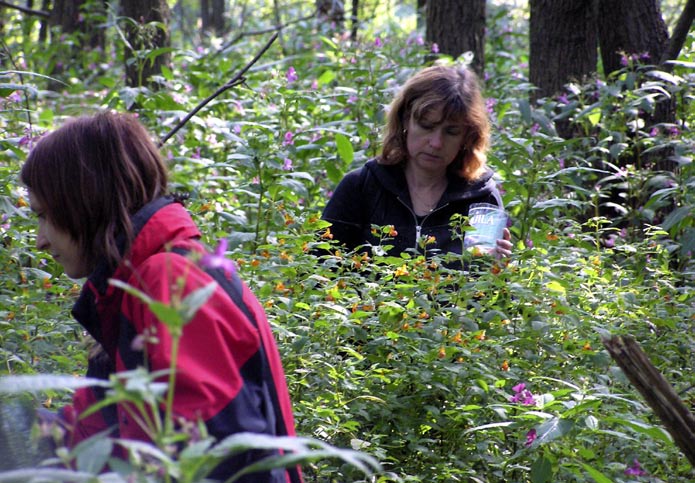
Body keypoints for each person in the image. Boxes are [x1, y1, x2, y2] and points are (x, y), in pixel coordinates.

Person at [20, 111, 302, 483]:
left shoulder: (171, 280)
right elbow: (98, 432)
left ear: (84, 202)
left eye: (44, 216)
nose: (40, 239)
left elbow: (210, 459)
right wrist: (20, 428)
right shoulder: (134, 282)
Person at [321, 64, 512, 260]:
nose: (436, 143)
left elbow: (489, 286)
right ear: (405, 120)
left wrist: (498, 270)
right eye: (426, 126)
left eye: (451, 132)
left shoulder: (481, 199)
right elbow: (317, 270)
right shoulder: (361, 187)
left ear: (467, 136)